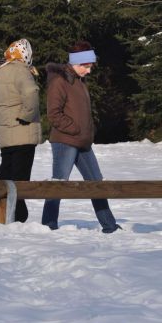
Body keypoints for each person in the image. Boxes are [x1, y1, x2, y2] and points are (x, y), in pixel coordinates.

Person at [41, 40, 121, 233]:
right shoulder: (59, 82)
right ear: (77, 63)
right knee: (59, 183)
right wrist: (75, 128)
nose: (90, 71)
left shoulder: (78, 81)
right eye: (87, 66)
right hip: (65, 141)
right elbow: (54, 114)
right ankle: (48, 225)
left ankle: (109, 226)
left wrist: (85, 132)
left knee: (96, 184)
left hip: (84, 143)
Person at [0, 38, 41, 224]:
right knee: (20, 180)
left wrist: (3, 111)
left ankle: (0, 217)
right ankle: (17, 218)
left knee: (5, 175)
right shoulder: (21, 71)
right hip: (23, 133)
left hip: (6, 135)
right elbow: (31, 92)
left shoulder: (0, 71)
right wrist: (26, 115)